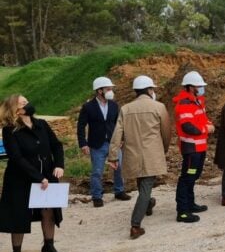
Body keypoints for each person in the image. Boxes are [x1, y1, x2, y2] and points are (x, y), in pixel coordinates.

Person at [0, 94, 68, 252]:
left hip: (47, 173)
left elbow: (57, 146)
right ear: (15, 109)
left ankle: (49, 246)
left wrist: (59, 165)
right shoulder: (10, 130)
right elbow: (17, 158)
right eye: (23, 103)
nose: (28, 105)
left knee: (49, 211)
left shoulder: (42, 124)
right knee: (18, 216)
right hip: (20, 178)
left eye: (27, 102)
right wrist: (38, 177)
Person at [108, 76, 170, 239]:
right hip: (152, 154)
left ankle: (148, 204)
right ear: (149, 90)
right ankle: (135, 225)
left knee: (142, 183)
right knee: (146, 187)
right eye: (153, 89)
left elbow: (117, 134)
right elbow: (166, 132)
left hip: (132, 154)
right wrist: (163, 149)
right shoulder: (159, 107)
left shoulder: (125, 109)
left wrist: (113, 156)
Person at [77, 76, 131, 207]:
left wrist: (121, 138)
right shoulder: (88, 107)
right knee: (97, 171)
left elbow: (119, 124)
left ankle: (119, 191)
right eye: (108, 89)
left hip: (113, 143)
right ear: (99, 91)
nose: (111, 91)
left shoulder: (114, 105)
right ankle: (97, 196)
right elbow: (81, 126)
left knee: (119, 168)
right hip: (96, 144)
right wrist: (83, 143)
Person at [173, 70, 214, 223]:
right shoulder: (184, 104)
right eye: (199, 86)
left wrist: (208, 124)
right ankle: (182, 212)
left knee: (193, 176)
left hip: (199, 148)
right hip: (191, 149)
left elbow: (203, 119)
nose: (201, 88)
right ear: (190, 87)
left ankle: (190, 204)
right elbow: (188, 127)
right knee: (187, 178)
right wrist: (205, 129)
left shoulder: (197, 101)